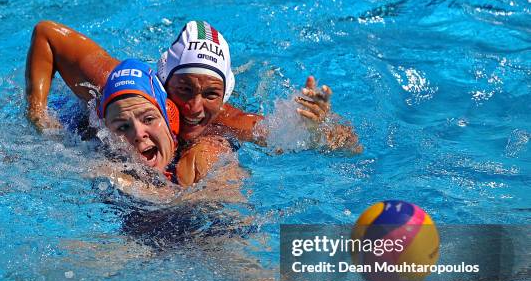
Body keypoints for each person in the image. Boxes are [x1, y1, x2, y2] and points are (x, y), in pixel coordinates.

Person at [25, 20, 361, 152]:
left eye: (210, 94)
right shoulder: (119, 85)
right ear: (163, 80)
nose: (195, 107)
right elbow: (47, 35)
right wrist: (38, 114)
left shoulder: (224, 122)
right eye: (183, 89)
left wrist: (312, 127)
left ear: (224, 94)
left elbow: (350, 144)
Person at [91, 57, 232, 187]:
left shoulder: (205, 154)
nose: (139, 134)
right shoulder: (102, 168)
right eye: (123, 127)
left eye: (148, 119)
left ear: (170, 121)